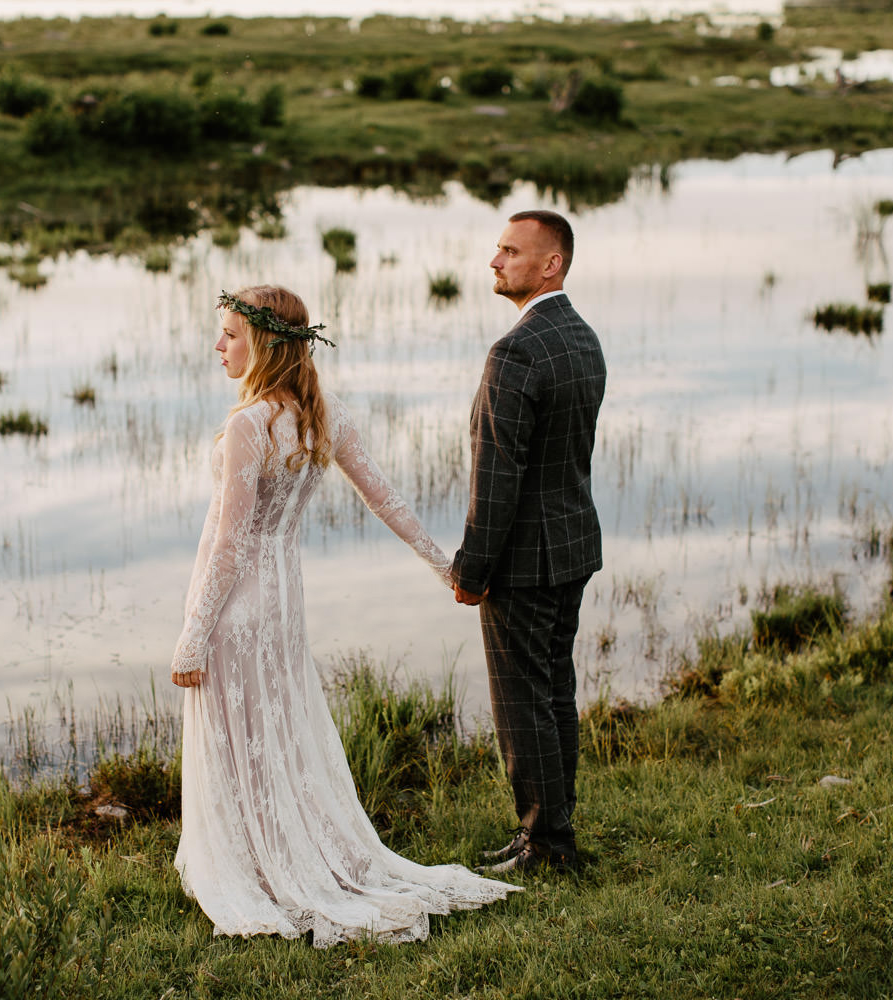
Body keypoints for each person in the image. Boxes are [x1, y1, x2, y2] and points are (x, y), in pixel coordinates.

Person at [170, 285, 518, 946]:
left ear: (266, 343)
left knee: (244, 734)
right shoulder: (321, 416)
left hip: (241, 604)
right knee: (277, 731)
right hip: (283, 601)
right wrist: (442, 564)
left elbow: (229, 543)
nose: (219, 347)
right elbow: (386, 499)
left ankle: (262, 869)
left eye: (230, 335)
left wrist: (194, 631)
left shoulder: (250, 425)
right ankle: (278, 858)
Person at [452, 210, 607, 875]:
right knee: (554, 695)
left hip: (522, 560)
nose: (495, 261)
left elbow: (498, 474)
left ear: (552, 264)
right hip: (571, 547)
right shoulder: (581, 337)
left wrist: (471, 567)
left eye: (511, 252)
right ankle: (551, 832)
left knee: (523, 707)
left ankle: (547, 844)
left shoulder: (515, 352)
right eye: (497, 250)